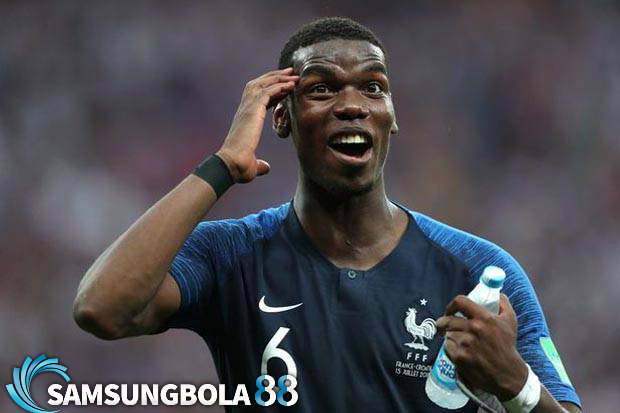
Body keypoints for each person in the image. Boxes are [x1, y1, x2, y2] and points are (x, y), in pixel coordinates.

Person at [73, 17, 582, 413]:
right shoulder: (230, 255)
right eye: (322, 89)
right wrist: (223, 165)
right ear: (281, 116)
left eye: (373, 87)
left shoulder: (481, 273)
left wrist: (516, 384)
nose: (353, 105)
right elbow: (101, 308)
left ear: (391, 118)